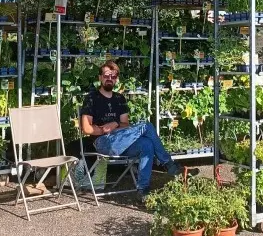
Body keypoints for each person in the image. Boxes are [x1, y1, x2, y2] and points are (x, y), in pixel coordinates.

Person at [80, 61, 197, 202]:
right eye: (106, 75)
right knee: (146, 126)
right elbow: (86, 128)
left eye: (113, 76)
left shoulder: (119, 99)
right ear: (100, 77)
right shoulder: (92, 98)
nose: (109, 79)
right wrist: (104, 129)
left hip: (122, 140)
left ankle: (142, 190)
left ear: (116, 79)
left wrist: (115, 124)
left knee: (147, 144)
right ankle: (170, 166)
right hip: (102, 142)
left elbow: (125, 124)